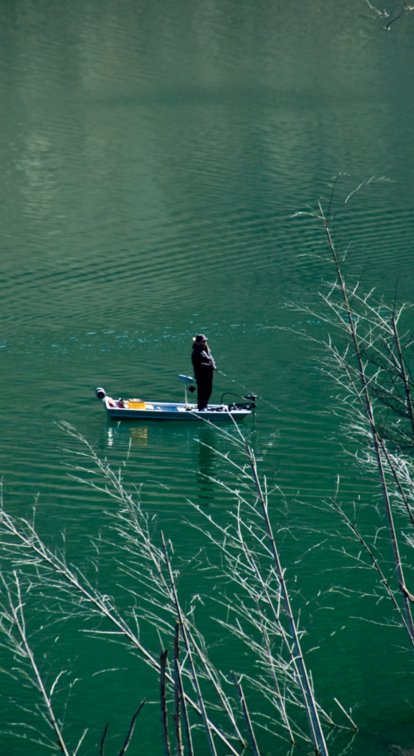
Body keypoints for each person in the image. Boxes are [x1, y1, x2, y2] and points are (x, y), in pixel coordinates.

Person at [191, 334, 216, 410]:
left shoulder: (205, 349)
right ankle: (201, 407)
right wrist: (209, 366)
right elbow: (198, 364)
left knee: (208, 390)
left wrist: (213, 365)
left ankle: (205, 405)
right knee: (202, 391)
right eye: (203, 341)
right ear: (198, 342)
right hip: (201, 375)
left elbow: (210, 358)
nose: (205, 342)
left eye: (205, 341)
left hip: (208, 374)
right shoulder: (196, 352)